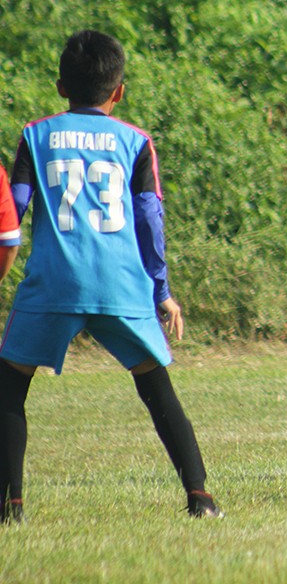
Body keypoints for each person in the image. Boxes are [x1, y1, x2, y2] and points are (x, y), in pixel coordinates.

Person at [0, 30, 221, 522]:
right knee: (156, 386)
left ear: (61, 86)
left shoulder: (36, 135)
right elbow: (148, 220)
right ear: (118, 91)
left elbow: (13, 210)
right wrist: (162, 292)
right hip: (121, 285)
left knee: (10, 386)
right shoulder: (136, 141)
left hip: (55, 282)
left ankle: (10, 506)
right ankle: (200, 497)